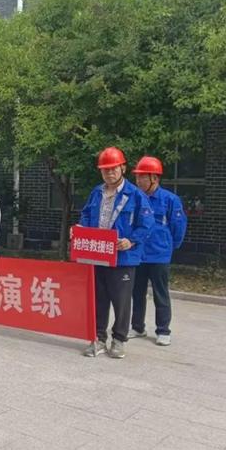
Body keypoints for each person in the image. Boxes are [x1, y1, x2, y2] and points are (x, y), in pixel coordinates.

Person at [79, 147, 154, 359]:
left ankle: (119, 340)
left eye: (113, 169)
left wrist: (131, 240)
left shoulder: (135, 195)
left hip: (123, 257)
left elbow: (147, 224)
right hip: (98, 254)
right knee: (99, 299)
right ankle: (98, 338)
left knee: (121, 301)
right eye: (105, 170)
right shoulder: (97, 192)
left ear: (123, 168)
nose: (109, 173)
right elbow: (86, 214)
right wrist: (80, 228)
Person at [130, 156, 187, 346]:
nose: (138, 181)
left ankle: (163, 330)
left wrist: (169, 246)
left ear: (154, 178)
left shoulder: (170, 200)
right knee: (137, 292)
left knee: (160, 293)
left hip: (159, 255)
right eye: (137, 177)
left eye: (142, 177)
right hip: (139, 254)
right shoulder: (135, 198)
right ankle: (137, 327)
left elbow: (178, 227)